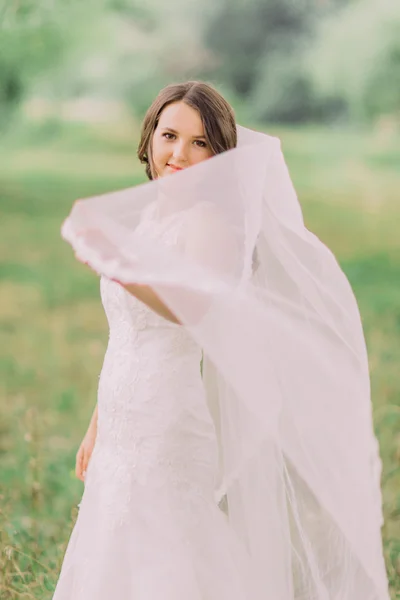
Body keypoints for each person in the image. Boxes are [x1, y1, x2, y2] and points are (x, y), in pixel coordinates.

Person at [55, 81, 390, 599]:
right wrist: (100, 422)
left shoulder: (207, 221)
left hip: (167, 420)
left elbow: (194, 309)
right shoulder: (151, 217)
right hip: (125, 414)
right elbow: (127, 336)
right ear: (148, 139)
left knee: (167, 541)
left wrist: (116, 266)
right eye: (169, 136)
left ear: (221, 154)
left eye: (200, 142)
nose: (179, 154)